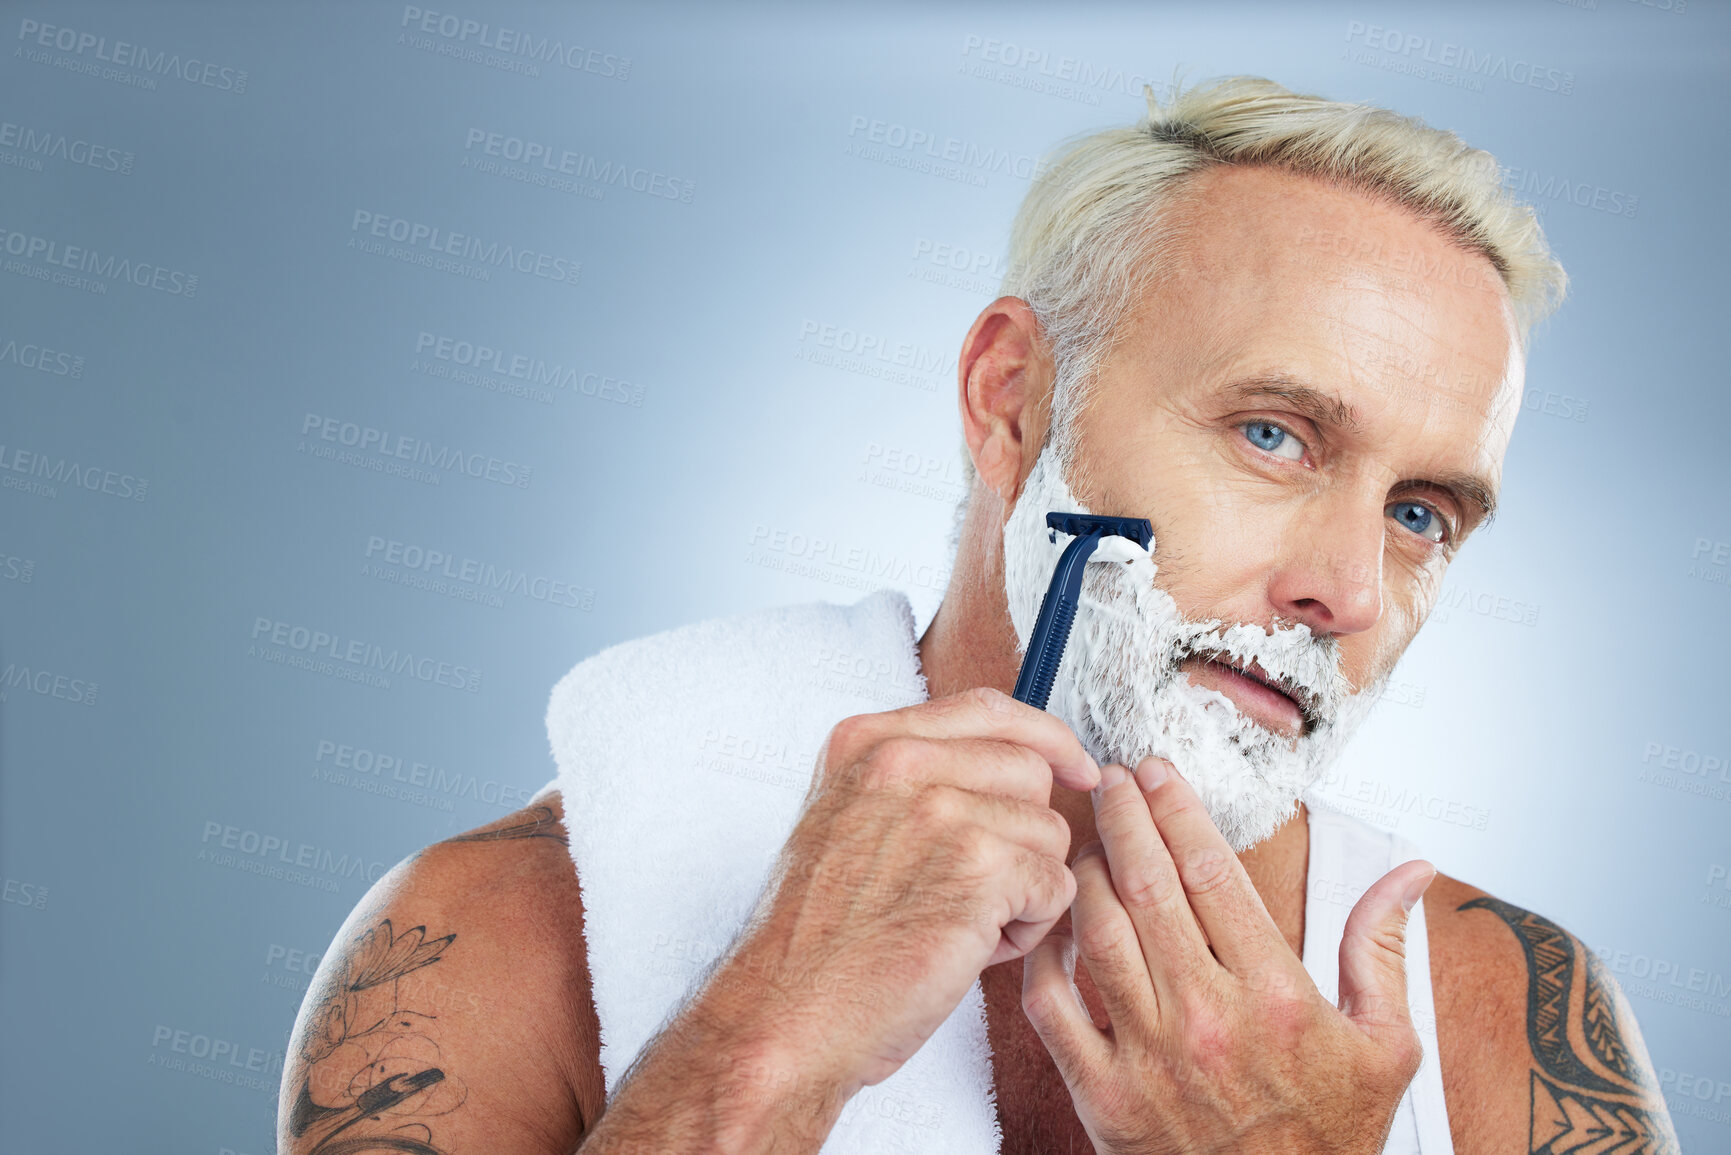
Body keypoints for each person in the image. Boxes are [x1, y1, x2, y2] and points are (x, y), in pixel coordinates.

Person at [276, 75, 1680, 1154]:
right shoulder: (501, 938)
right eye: (1272, 435)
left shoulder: (1502, 1019)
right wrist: (759, 1054)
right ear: (1011, 400)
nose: (1350, 590)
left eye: (1422, 513)